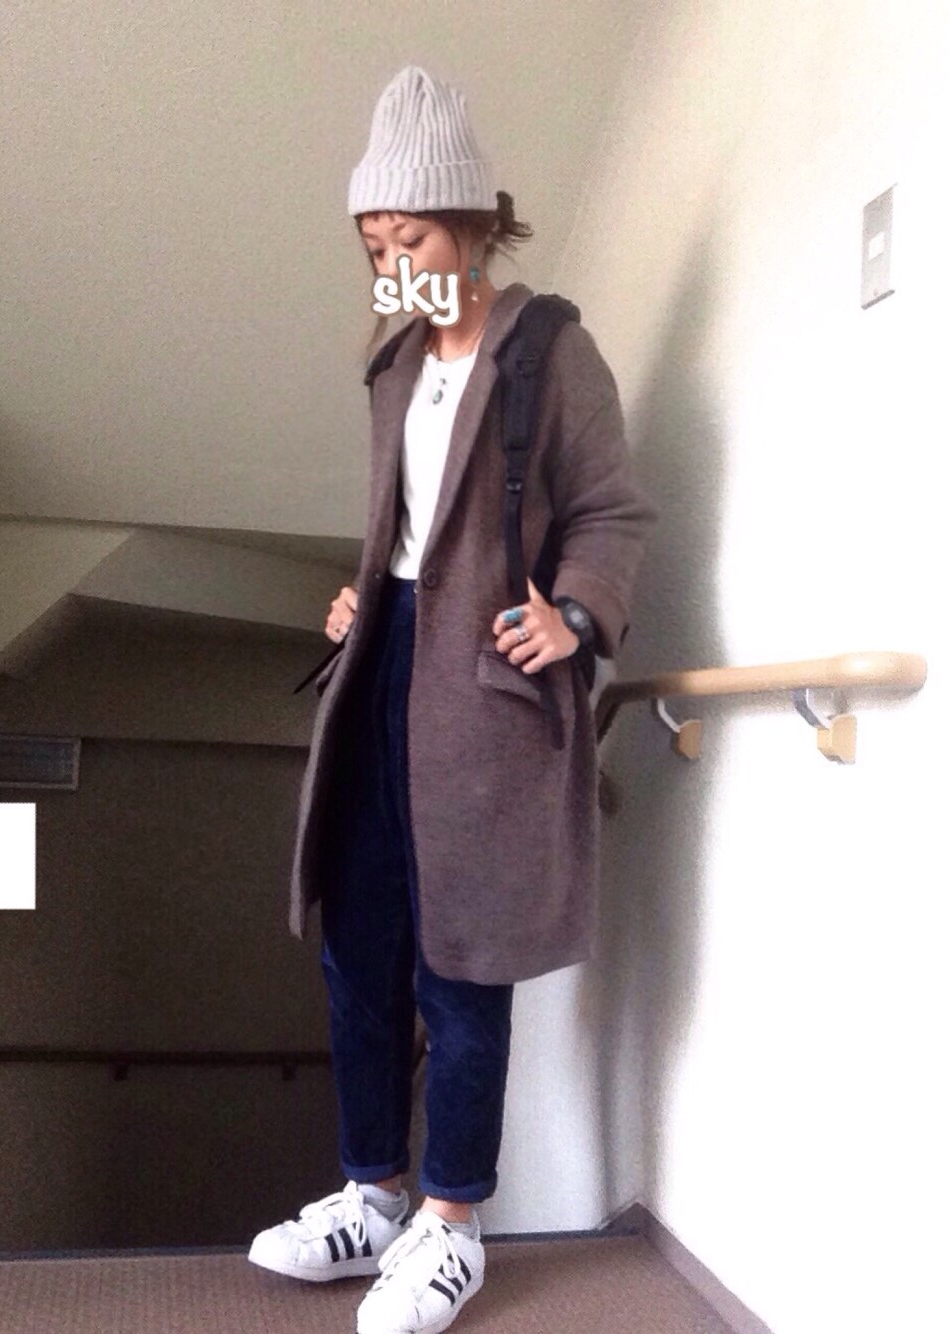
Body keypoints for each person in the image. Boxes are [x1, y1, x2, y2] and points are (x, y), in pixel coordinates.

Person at [248, 65, 658, 1334]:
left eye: (411, 238)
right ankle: (372, 1193)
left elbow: (611, 510)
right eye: (375, 245)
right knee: (357, 942)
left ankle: (450, 1223)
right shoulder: (393, 360)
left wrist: (573, 613)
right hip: (384, 664)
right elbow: (406, 532)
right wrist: (357, 592)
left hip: (481, 686)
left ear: (474, 225)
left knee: (461, 957)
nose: (392, 264)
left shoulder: (549, 351)